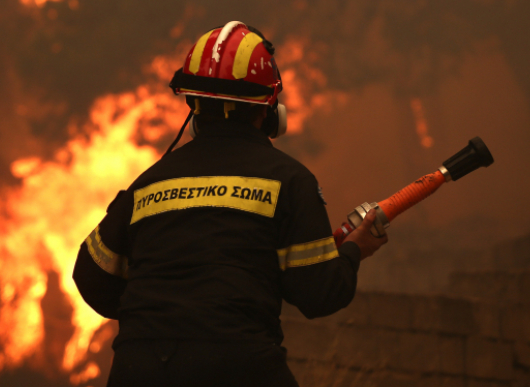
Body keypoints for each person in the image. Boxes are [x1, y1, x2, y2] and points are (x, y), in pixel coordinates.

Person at [73, 21, 387, 387]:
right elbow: (319, 294)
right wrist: (353, 252)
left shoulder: (149, 183)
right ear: (269, 112)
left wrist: (156, 319)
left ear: (193, 107)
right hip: (236, 365)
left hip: (137, 368)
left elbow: (91, 276)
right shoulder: (289, 181)